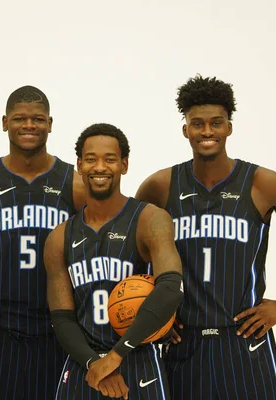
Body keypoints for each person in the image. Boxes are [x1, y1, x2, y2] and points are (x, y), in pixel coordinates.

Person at [135, 75, 276, 399]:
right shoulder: (159, 186)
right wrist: (155, 314)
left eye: (216, 123)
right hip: (181, 342)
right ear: (185, 129)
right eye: (197, 124)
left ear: (229, 127)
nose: (207, 132)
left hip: (243, 341)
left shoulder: (263, 184)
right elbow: (137, 255)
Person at [0, 86, 85, 399]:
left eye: (37, 119)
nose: (29, 125)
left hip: (57, 327)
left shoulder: (75, 184)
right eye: (20, 118)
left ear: (50, 123)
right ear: (4, 122)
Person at [44, 123, 184, 399]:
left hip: (138, 359)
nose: (100, 167)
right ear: (80, 165)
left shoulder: (149, 219)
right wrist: (95, 363)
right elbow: (61, 318)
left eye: (109, 159)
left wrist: (116, 356)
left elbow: (171, 287)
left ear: (124, 164)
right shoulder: (59, 237)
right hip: (83, 363)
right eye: (91, 159)